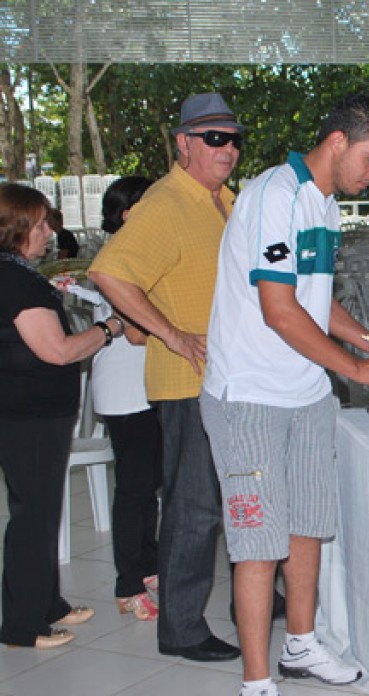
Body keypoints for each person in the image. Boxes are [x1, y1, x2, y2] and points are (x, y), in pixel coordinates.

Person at [203, 94, 369, 696]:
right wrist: (356, 369)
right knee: (258, 543)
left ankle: (300, 646)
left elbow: (315, 301)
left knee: (307, 528)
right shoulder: (275, 196)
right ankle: (256, 680)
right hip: (249, 395)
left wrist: (368, 343)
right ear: (339, 142)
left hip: (304, 393)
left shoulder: (325, 204)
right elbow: (279, 312)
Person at [89, 92, 243, 662]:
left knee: (233, 498)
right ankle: (180, 626)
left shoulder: (222, 199)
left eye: (231, 138)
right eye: (212, 138)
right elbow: (109, 272)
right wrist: (172, 334)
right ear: (183, 144)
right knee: (194, 508)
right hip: (186, 383)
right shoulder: (165, 201)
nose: (226, 148)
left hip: (230, 379)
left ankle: (252, 597)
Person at [0, 183, 124, 648]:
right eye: (38, 224)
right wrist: (109, 328)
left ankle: (46, 602)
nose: (48, 232)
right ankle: (22, 624)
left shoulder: (17, 273)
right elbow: (58, 351)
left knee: (42, 509)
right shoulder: (15, 280)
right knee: (33, 514)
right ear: (16, 230)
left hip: (29, 412)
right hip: (28, 415)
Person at [91, 176, 161, 622]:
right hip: (124, 388)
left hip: (147, 383)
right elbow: (136, 332)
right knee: (135, 488)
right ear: (127, 213)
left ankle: (148, 563)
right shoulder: (118, 257)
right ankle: (127, 583)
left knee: (149, 483)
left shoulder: (139, 252)